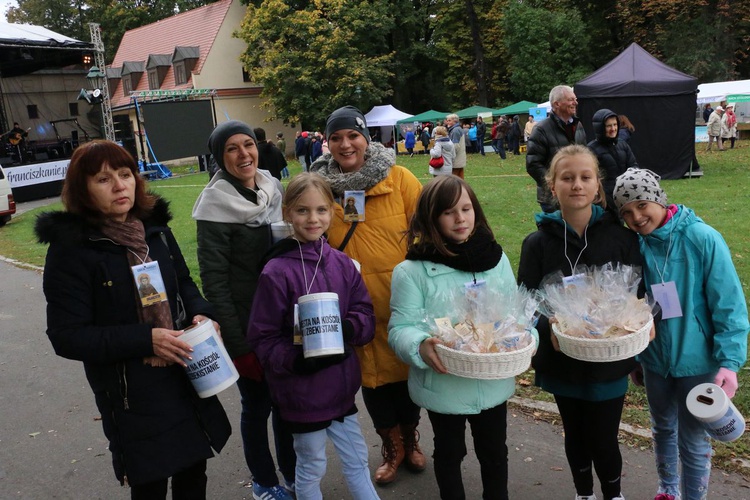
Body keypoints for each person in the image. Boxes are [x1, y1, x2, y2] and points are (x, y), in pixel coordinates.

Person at [35, 140, 231, 499]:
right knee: (151, 482)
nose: (119, 185)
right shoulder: (71, 250)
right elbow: (67, 336)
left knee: (193, 471)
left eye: (125, 175)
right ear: (83, 189)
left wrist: (204, 313)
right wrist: (146, 339)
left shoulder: (154, 229)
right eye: (103, 179)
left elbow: (184, 284)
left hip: (185, 372)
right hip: (131, 391)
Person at [389, 175, 531, 500]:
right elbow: (401, 327)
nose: (461, 218)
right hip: (445, 382)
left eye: (466, 209)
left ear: (476, 212)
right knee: (450, 453)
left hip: (491, 380)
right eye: (449, 212)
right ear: (431, 217)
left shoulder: (495, 259)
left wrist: (524, 334)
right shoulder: (413, 271)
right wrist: (419, 345)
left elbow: (514, 312)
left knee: (495, 452)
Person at [613, 168, 749, 500]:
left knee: (693, 439)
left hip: (699, 363)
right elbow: (634, 303)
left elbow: (729, 306)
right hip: (656, 361)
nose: (637, 217)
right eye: (627, 212)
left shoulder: (701, 238)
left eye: (642, 205)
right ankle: (668, 490)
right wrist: (637, 357)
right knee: (662, 429)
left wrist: (729, 363)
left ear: (659, 198)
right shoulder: (636, 245)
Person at [518, 145, 644, 500]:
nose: (577, 185)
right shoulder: (537, 244)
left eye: (585, 177)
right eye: (567, 178)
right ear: (551, 186)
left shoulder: (621, 238)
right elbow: (526, 303)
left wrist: (649, 322)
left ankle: (613, 493)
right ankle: (584, 493)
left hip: (610, 358)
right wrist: (549, 327)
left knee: (604, 436)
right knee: (574, 433)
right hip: (563, 360)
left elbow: (646, 293)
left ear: (597, 186)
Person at [310, 105, 425, 485]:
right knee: (373, 380)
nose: (346, 144)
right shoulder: (321, 187)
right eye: (336, 137)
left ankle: (410, 438)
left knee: (407, 374)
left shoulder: (401, 178)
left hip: (402, 301)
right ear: (327, 144)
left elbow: (424, 233)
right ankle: (390, 446)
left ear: (366, 138)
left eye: (352, 135)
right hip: (355, 308)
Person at [247, 172, 379, 500]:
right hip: (301, 394)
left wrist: (348, 328)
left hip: (340, 389)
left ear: (333, 212)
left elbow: (365, 314)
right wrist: (295, 361)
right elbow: (262, 337)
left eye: (321, 210)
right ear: (287, 213)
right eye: (303, 210)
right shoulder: (276, 272)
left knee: (357, 460)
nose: (313, 218)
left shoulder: (342, 264)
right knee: (311, 465)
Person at [192, 121, 296, 500]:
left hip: (284, 320)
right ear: (220, 158)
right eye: (232, 149)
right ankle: (264, 482)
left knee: (287, 404)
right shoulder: (214, 205)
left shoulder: (272, 188)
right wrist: (239, 345)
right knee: (258, 407)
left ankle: (293, 472)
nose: (243, 154)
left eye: (248, 145)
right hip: (249, 326)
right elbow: (215, 282)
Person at [527, 85, 587, 212]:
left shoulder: (578, 126)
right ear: (557, 104)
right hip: (552, 200)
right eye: (571, 99)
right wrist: (555, 186)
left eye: (575, 99)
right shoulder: (541, 130)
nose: (575, 102)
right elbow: (533, 164)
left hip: (577, 194)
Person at [587, 109, 638, 211]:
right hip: (604, 202)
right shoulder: (591, 149)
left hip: (624, 196)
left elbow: (633, 166)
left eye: (615, 125)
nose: (613, 128)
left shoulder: (622, 144)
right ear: (600, 128)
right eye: (609, 126)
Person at [444, 113, 467, 178]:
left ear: (455, 121)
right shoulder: (457, 128)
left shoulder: (455, 130)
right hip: (459, 157)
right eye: (447, 120)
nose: (447, 122)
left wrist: (450, 156)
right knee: (460, 178)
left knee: (454, 179)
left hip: (456, 159)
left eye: (449, 120)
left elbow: (455, 146)